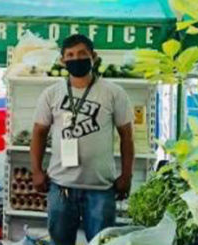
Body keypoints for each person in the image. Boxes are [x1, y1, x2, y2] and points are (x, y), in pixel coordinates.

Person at [31, 34, 135, 245]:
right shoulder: (51, 94)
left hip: (101, 188)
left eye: (82, 54)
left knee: (101, 242)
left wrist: (127, 175)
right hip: (60, 186)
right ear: (62, 61)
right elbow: (39, 133)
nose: (76, 59)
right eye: (70, 55)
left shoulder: (113, 93)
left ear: (93, 57)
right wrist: (36, 171)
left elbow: (127, 136)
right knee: (60, 242)